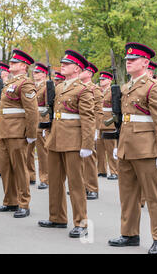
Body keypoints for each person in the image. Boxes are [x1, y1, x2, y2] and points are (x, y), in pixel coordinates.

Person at [108, 42, 157, 254]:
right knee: (127, 195)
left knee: (154, 196)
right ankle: (129, 234)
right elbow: (123, 121)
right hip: (126, 148)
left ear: (145, 62)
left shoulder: (153, 87)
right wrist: (118, 143)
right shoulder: (126, 87)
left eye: (133, 59)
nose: (128, 62)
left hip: (147, 149)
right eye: (127, 60)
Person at [39, 49, 95, 239]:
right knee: (55, 180)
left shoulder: (83, 89)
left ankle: (81, 222)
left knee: (76, 183)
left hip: (73, 140)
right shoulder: (60, 87)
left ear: (77, 68)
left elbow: (88, 118)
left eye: (67, 64)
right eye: (62, 63)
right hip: (56, 138)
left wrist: (87, 144)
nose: (62, 66)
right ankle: (57, 217)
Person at [0, 49, 39, 218]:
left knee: (20, 168)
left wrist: (30, 133)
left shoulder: (26, 83)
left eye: (14, 63)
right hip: (4, 130)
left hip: (17, 132)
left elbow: (32, 111)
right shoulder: (9, 83)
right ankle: (10, 201)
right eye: (11, 62)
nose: (10, 64)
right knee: (5, 168)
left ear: (23, 66)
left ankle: (24, 203)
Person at [79, 62, 103, 200]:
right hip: (79, 127)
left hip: (90, 127)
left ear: (89, 73)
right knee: (80, 158)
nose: (80, 72)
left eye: (84, 70)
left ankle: (92, 188)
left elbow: (98, 111)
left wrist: (95, 130)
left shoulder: (95, 89)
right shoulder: (78, 88)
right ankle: (82, 185)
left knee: (89, 158)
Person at [31, 62, 50, 190]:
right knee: (30, 152)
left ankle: (45, 178)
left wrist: (46, 125)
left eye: (37, 72)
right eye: (34, 72)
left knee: (43, 153)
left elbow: (49, 107)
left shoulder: (46, 87)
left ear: (44, 74)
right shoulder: (33, 86)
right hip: (33, 121)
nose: (34, 74)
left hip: (42, 121)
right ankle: (30, 176)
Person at [97, 71, 118, 180]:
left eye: (103, 79)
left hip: (109, 124)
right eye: (100, 79)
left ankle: (114, 171)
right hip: (99, 123)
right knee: (99, 149)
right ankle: (101, 170)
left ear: (109, 80)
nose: (101, 81)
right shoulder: (99, 91)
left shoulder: (112, 91)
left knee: (110, 150)